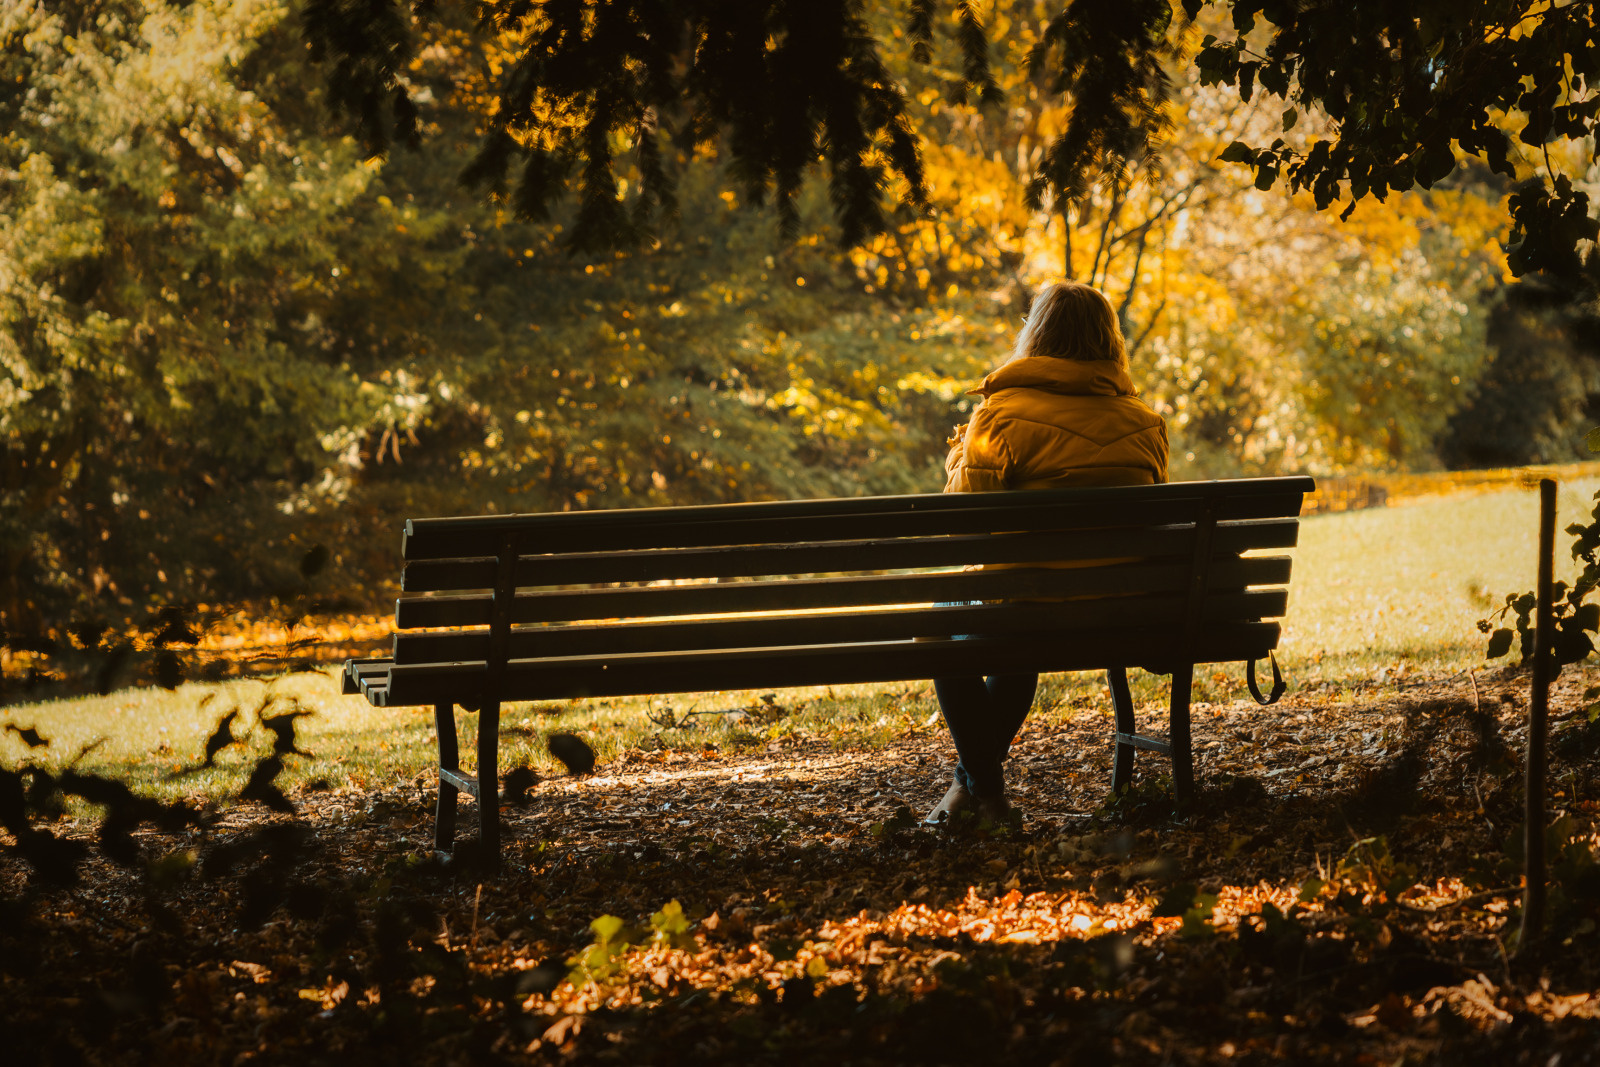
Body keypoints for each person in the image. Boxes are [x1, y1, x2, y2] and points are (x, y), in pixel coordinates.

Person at [925, 280, 1170, 826]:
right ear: (1110, 340)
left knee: (945, 628)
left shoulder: (1002, 416)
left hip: (1028, 612)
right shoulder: (1146, 424)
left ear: (1034, 336)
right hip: (1121, 613)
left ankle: (986, 795)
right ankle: (973, 791)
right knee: (1021, 624)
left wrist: (960, 457)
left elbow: (964, 533)